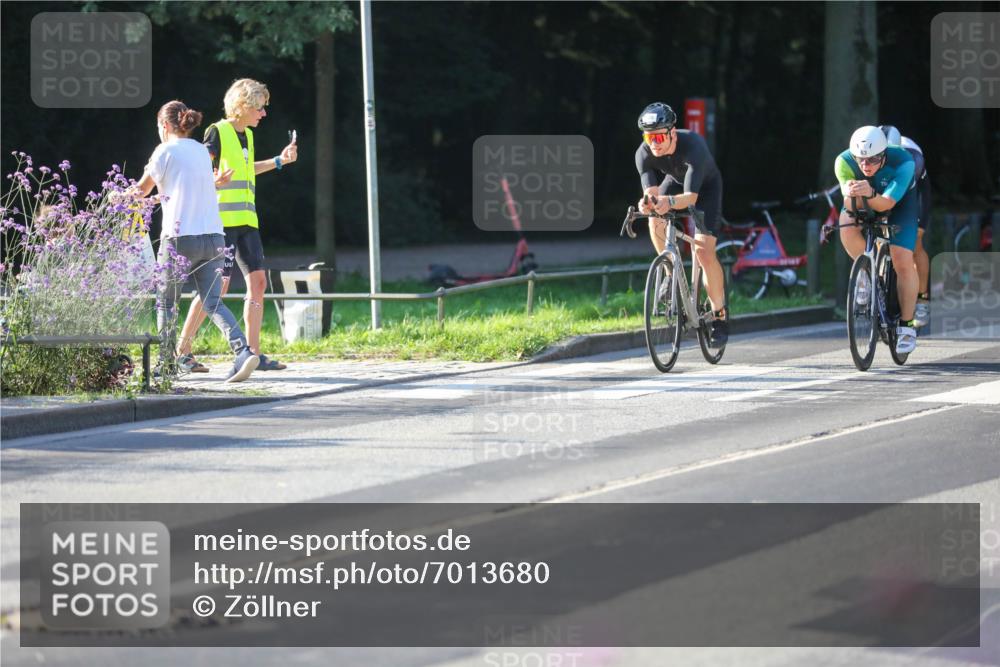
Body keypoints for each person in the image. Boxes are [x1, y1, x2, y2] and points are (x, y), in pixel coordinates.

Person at [174, 78, 298, 373]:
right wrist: (212, 180)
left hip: (248, 222)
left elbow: (246, 170)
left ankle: (252, 353)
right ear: (243, 106)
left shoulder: (249, 136)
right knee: (218, 287)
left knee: (258, 283)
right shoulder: (217, 131)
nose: (264, 113)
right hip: (222, 223)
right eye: (260, 107)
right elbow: (200, 167)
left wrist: (279, 161)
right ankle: (183, 350)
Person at [135, 100, 259, 383]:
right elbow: (187, 187)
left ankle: (166, 363)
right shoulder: (202, 153)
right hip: (214, 237)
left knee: (167, 303)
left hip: (179, 239)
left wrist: (116, 198)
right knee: (213, 301)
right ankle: (242, 350)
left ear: (164, 126)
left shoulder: (164, 151)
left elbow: (141, 190)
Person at [634, 102, 728, 345]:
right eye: (648, 136)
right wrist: (648, 202)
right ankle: (669, 274)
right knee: (654, 217)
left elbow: (691, 199)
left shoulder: (693, 145)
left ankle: (719, 315)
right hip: (675, 182)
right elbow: (652, 192)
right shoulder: (643, 153)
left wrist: (669, 201)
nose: (653, 142)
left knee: (704, 253)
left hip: (705, 190)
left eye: (658, 136)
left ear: (672, 133)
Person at [834, 125, 919, 355]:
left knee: (902, 259)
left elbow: (886, 204)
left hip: (899, 204)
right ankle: (867, 272)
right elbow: (849, 205)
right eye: (860, 160)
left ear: (884, 155)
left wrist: (870, 193)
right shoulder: (843, 162)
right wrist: (853, 193)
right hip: (865, 198)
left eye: (872, 160)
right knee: (846, 223)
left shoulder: (903, 162)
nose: (865, 166)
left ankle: (907, 325)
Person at [880, 125, 932, 327]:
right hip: (885, 189)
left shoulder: (912, 160)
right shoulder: (870, 155)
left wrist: (919, 224)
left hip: (913, 191)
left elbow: (921, 195)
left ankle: (922, 299)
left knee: (915, 242)